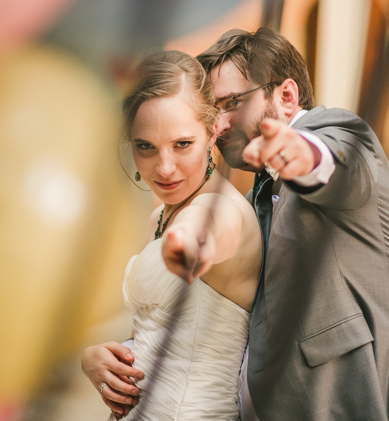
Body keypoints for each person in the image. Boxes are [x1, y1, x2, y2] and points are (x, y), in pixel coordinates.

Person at [195, 28, 389, 420]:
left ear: (286, 96)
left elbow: (338, 166)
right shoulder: (255, 197)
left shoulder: (340, 134)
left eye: (231, 102)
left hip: (353, 401)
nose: (220, 124)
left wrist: (303, 156)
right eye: (213, 112)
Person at [80, 50, 263, 420]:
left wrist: (192, 244)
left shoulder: (222, 210)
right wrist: (96, 360)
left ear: (213, 132)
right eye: (145, 146)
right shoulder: (159, 217)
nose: (164, 168)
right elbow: (157, 329)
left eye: (182, 144)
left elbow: (209, 232)